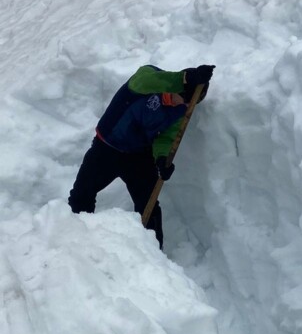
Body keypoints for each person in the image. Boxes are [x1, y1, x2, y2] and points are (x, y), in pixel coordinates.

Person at [68, 63, 214, 248]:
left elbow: (167, 137)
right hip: (106, 148)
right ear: (178, 88)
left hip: (139, 156)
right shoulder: (149, 80)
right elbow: (143, 80)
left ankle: (152, 257)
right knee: (81, 195)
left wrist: (162, 158)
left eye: (189, 103)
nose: (183, 105)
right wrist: (183, 78)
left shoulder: (181, 110)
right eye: (183, 99)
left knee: (149, 208)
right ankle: (77, 245)